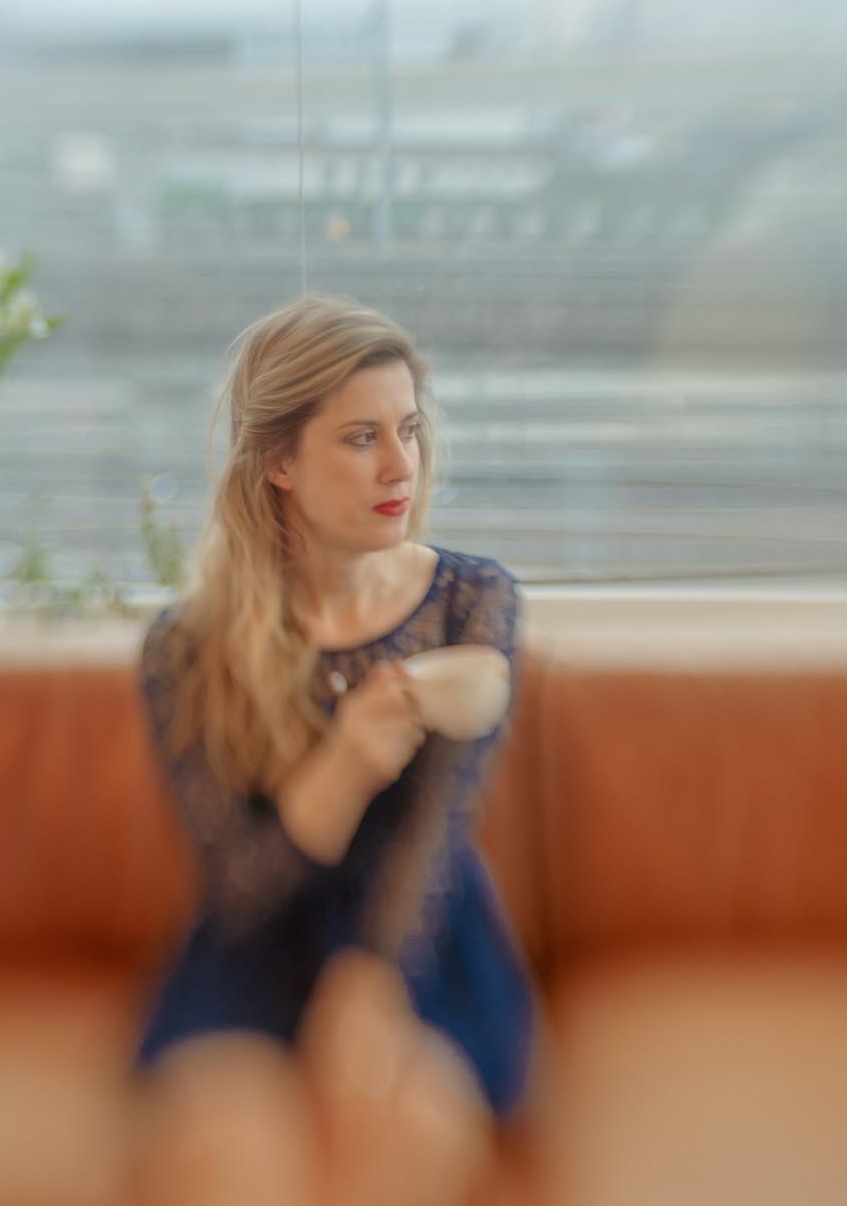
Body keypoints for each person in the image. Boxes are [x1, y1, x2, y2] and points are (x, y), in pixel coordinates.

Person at [132, 292, 539, 1128]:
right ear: (279, 461)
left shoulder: (472, 601)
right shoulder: (183, 649)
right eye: (361, 438)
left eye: (408, 430)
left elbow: (437, 826)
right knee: (230, 1148)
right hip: (257, 945)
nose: (400, 466)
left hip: (420, 929)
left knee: (396, 1128)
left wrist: (367, 979)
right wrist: (347, 763)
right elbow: (240, 890)